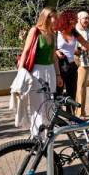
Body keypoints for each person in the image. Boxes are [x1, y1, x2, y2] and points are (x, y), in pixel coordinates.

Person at [13, 7, 63, 136]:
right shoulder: (35, 31)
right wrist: (20, 73)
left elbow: (54, 57)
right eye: (54, 17)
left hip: (50, 71)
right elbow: (26, 51)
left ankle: (46, 136)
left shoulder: (53, 33)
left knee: (49, 106)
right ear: (46, 17)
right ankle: (36, 138)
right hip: (36, 72)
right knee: (38, 106)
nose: (56, 20)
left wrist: (58, 75)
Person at [55, 10, 89, 101]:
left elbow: (87, 45)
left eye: (75, 19)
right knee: (58, 93)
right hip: (59, 65)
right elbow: (52, 48)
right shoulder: (57, 32)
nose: (74, 21)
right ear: (65, 20)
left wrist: (82, 48)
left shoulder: (74, 33)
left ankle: (70, 114)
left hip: (71, 66)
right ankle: (57, 114)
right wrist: (56, 51)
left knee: (72, 94)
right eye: (72, 19)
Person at [74, 11, 89, 117]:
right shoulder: (74, 30)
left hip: (85, 61)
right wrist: (78, 48)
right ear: (79, 19)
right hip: (75, 60)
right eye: (84, 18)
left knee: (82, 87)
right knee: (79, 87)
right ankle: (78, 113)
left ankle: (81, 111)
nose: (86, 20)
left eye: (88, 18)